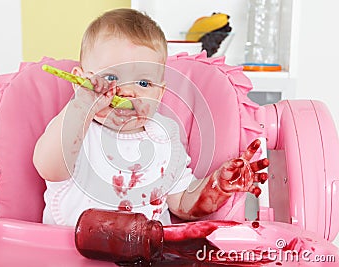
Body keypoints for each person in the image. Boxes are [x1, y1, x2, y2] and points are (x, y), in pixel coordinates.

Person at [33, 8, 269, 226]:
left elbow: (182, 203)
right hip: (68, 253)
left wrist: (217, 186)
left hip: (146, 255)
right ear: (80, 83)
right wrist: (81, 106)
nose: (127, 91)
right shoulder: (75, 127)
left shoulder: (164, 136)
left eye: (144, 83)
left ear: (160, 93)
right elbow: (48, 167)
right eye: (112, 78)